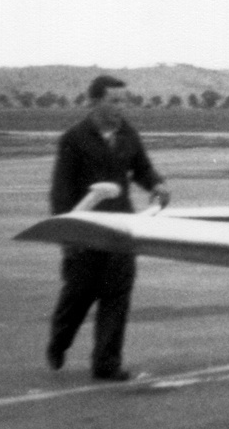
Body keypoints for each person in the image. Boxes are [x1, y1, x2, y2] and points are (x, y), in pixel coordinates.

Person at [45, 75, 170, 380]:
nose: (120, 106)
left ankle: (106, 364)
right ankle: (59, 342)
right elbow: (61, 191)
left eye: (123, 100)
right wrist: (66, 233)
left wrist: (156, 183)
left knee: (117, 296)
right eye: (113, 100)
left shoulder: (128, 134)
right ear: (95, 102)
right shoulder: (74, 139)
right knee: (78, 296)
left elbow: (141, 167)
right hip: (86, 230)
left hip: (121, 229)